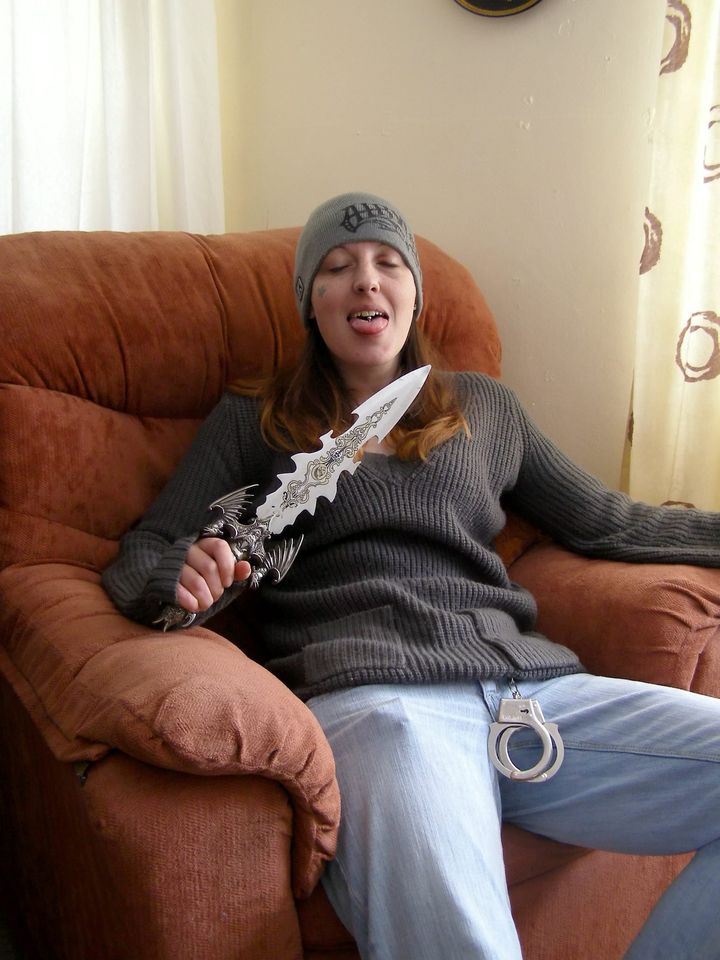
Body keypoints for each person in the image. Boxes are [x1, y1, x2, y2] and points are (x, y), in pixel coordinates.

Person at [103, 191, 720, 960]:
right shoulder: (254, 418)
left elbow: (611, 522)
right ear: (311, 301)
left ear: (414, 293)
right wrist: (178, 578)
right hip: (377, 699)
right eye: (339, 267)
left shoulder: (486, 409)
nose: (367, 280)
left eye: (388, 263)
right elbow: (146, 550)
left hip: (529, 692)